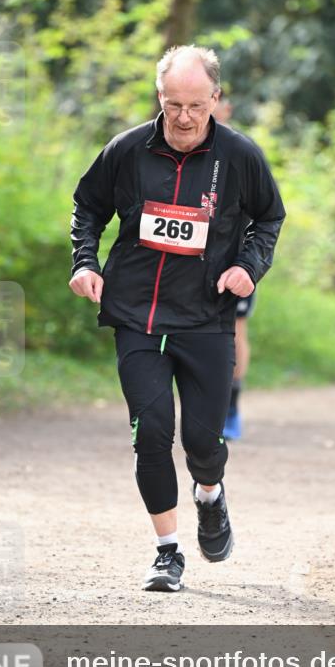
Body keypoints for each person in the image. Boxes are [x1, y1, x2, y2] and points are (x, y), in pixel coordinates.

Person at [68, 45, 285, 592]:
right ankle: (167, 551)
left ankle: (209, 494)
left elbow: (269, 218)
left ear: (216, 97)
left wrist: (247, 266)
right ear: (158, 99)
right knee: (151, 434)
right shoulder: (126, 150)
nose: (184, 117)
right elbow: (88, 208)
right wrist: (85, 263)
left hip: (207, 318)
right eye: (172, 105)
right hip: (136, 315)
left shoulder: (239, 156)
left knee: (202, 444)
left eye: (195, 104)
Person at [212, 95, 255, 442]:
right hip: (186, 260)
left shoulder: (241, 149)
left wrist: (247, 261)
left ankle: (231, 406)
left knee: (235, 327)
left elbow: (264, 208)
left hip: (233, 259)